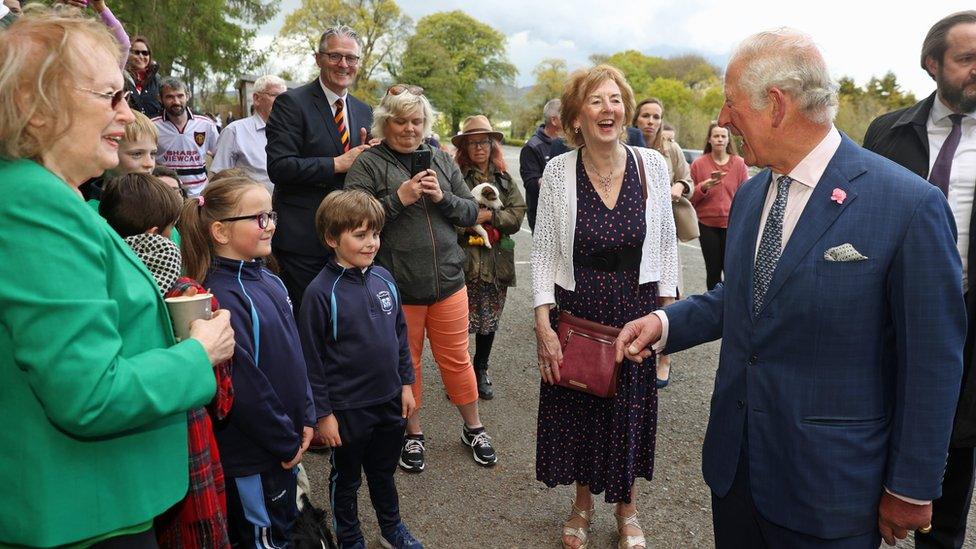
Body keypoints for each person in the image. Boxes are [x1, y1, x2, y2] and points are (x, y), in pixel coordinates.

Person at [615, 28, 966, 548]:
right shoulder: (755, 193)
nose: (723, 120)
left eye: (731, 105)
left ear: (776, 106)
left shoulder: (909, 205)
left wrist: (912, 486)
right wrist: (665, 322)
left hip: (831, 491)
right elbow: (748, 296)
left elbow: (933, 360)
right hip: (737, 475)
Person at [0, 10, 234, 547]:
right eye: (111, 96)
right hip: (78, 518)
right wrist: (197, 354)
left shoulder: (55, 196)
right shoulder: (35, 206)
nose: (128, 116)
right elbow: (89, 393)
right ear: (36, 109)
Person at [532, 64, 678, 549]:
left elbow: (667, 246)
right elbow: (546, 250)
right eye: (596, 101)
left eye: (615, 100)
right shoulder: (558, 171)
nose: (608, 109)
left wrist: (667, 323)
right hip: (578, 307)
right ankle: (581, 504)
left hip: (633, 308)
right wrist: (542, 322)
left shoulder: (650, 165)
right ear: (576, 115)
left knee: (628, 413)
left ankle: (627, 509)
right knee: (579, 405)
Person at [863, 11, 976, 549]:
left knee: (953, 449)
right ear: (932, 64)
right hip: (881, 317)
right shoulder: (887, 131)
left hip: (966, 325)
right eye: (966, 59)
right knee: (870, 433)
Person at [344, 85, 499, 472]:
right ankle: (412, 433)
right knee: (406, 364)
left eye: (416, 121)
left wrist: (442, 199)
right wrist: (400, 198)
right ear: (385, 123)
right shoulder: (369, 163)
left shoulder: (441, 160)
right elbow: (352, 219)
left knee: (458, 360)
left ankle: (473, 427)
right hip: (397, 286)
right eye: (400, 120)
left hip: (448, 282)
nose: (409, 128)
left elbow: (469, 211)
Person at [179, 176, 316, 546]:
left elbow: (294, 355)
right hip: (254, 457)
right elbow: (244, 388)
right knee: (263, 539)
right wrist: (286, 441)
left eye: (271, 214)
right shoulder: (219, 296)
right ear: (221, 231)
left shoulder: (269, 278)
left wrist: (306, 412)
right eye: (259, 218)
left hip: (284, 443)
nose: (270, 224)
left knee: (282, 529)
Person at [100, 173, 232, 547]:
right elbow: (222, 395)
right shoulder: (186, 292)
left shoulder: (98, 278)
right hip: (185, 436)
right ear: (161, 234)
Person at [299, 190, 423, 549]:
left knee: (384, 472)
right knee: (347, 478)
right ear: (331, 238)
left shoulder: (384, 278)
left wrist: (405, 383)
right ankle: (349, 537)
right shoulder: (320, 293)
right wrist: (323, 414)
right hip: (348, 408)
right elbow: (311, 361)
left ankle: (391, 528)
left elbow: (401, 336)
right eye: (360, 235)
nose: (371, 243)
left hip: (389, 401)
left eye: (375, 234)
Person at [266, 24, 374, 312]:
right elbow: (279, 166)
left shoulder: (365, 111)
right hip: (304, 240)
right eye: (335, 56)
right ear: (318, 58)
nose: (344, 64)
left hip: (349, 240)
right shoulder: (291, 103)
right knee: (309, 324)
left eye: (351, 58)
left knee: (344, 320)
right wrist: (337, 164)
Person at [453, 115, 527, 400]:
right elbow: (452, 214)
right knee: (460, 320)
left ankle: (481, 368)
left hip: (497, 262)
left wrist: (488, 216)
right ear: (465, 148)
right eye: (472, 143)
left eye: (483, 141)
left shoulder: (505, 180)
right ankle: (461, 374)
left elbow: (517, 214)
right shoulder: (456, 177)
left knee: (490, 320)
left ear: (492, 144)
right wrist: (475, 218)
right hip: (465, 259)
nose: (479, 148)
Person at [631, 97, 693, 388]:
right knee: (639, 292)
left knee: (668, 292)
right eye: (645, 116)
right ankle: (637, 348)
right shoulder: (626, 146)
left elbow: (687, 177)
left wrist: (679, 186)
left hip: (664, 231)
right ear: (636, 119)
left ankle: (665, 358)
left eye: (656, 116)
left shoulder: (671, 148)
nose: (651, 121)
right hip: (633, 231)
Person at [689, 122, 748, 290]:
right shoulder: (698, 164)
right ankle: (712, 311)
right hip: (707, 226)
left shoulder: (739, 164)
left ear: (729, 140)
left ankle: (730, 308)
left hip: (732, 225)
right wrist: (704, 186)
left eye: (723, 136)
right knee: (713, 271)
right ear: (709, 139)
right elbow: (690, 197)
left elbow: (746, 194)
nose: (720, 139)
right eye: (716, 136)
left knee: (732, 271)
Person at [212, 75, 287, 193]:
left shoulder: (290, 132)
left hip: (286, 206)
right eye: (276, 96)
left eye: (285, 97)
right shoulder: (235, 131)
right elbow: (218, 178)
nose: (283, 101)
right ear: (257, 99)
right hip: (250, 209)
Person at [153, 76, 219, 197]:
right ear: (160, 99)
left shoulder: (206, 124)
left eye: (180, 96)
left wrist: (214, 183)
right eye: (169, 97)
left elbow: (220, 155)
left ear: (187, 96)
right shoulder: (153, 126)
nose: (176, 101)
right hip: (166, 194)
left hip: (200, 194)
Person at [520, 98, 562, 231]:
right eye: (567, 115)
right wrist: (556, 179)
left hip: (566, 215)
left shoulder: (569, 143)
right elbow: (531, 184)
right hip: (543, 218)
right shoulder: (532, 147)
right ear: (554, 120)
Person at [125, 35, 162, 117]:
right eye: (136, 52)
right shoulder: (121, 78)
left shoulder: (157, 80)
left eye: (145, 53)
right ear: (128, 54)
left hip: (153, 128)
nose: (141, 56)